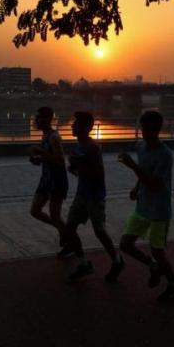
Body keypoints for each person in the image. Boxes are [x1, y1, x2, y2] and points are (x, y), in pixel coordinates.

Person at [117, 110, 174, 301]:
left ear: (157, 129)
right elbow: (144, 173)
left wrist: (132, 167)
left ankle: (173, 284)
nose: (143, 131)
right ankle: (152, 266)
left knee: (157, 251)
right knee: (125, 244)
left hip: (159, 210)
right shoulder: (140, 146)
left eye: (147, 127)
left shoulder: (165, 155)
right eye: (141, 127)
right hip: (142, 206)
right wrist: (136, 188)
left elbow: (156, 184)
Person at [64, 112, 124, 282]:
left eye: (77, 124)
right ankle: (84, 263)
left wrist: (79, 166)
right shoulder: (77, 146)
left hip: (95, 196)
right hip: (81, 194)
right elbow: (79, 170)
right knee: (70, 227)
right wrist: (73, 168)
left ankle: (117, 261)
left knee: (99, 231)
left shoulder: (92, 147)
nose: (72, 126)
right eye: (74, 123)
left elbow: (98, 173)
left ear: (87, 128)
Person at [29, 106, 72, 258]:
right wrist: (38, 160)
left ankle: (69, 241)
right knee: (35, 211)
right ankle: (65, 232)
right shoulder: (45, 135)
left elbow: (61, 160)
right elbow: (50, 158)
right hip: (46, 180)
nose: (35, 120)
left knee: (55, 215)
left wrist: (41, 152)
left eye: (38, 117)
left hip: (57, 180)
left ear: (47, 119)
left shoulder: (54, 137)